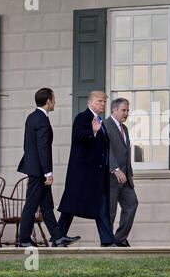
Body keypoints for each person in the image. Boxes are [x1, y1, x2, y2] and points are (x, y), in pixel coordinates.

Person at [18, 88, 80, 248]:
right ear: (48, 101)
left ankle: (58, 237)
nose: (55, 102)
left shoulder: (32, 117)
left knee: (46, 205)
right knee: (31, 205)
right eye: (54, 99)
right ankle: (24, 240)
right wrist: (48, 173)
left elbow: (27, 145)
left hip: (34, 168)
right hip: (39, 171)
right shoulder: (42, 120)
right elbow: (43, 148)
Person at [57, 91, 117, 247]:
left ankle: (107, 241)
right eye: (99, 101)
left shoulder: (100, 121)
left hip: (98, 174)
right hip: (82, 173)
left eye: (104, 102)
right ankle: (58, 237)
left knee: (102, 205)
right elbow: (78, 136)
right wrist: (93, 131)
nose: (103, 104)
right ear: (90, 103)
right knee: (70, 207)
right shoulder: (82, 118)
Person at [104, 98, 138, 247]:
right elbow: (106, 151)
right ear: (114, 110)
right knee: (110, 212)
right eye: (124, 110)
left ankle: (119, 239)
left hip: (125, 178)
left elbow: (125, 152)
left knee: (132, 204)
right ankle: (107, 242)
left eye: (127, 111)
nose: (126, 113)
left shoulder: (123, 128)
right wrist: (115, 169)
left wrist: (129, 173)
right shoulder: (105, 126)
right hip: (111, 177)